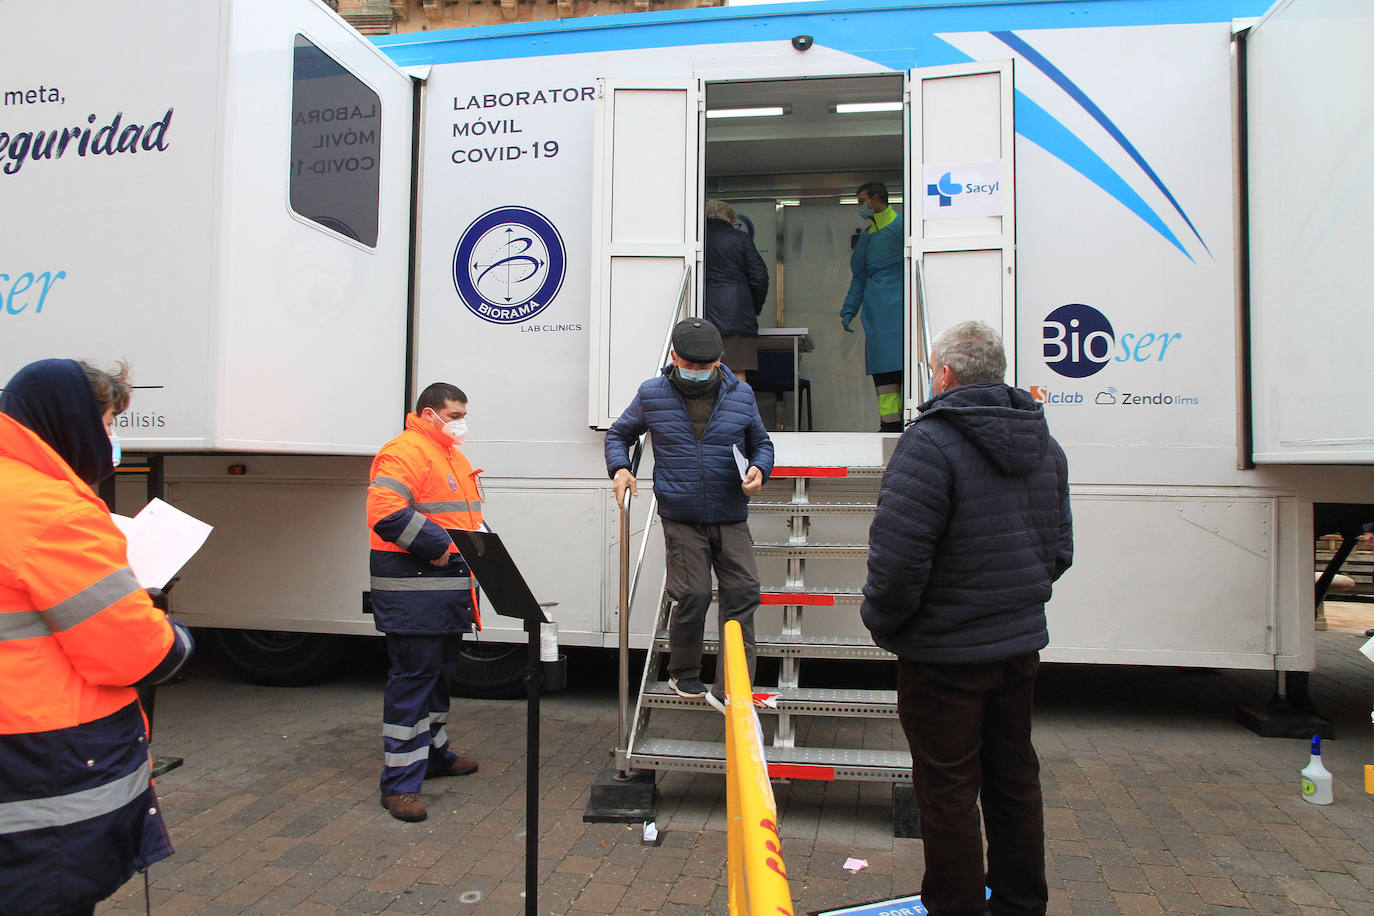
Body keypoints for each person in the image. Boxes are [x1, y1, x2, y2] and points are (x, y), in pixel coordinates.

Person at [860, 321, 1073, 916]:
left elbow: (898, 563)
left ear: (946, 375)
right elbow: (1059, 551)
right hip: (1017, 650)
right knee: (1014, 781)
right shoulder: (1044, 443)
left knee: (948, 792)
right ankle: (1021, 904)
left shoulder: (930, 443)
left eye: (933, 369)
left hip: (944, 658)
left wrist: (887, 626)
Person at [0, 358, 195, 916]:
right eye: (109, 423)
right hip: (41, 761)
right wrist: (175, 636)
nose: (112, 439)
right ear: (71, 421)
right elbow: (135, 652)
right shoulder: (53, 512)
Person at [605, 318, 774, 698]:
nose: (697, 373)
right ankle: (683, 670)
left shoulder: (741, 395)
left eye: (705, 366)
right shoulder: (652, 394)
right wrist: (620, 468)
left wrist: (759, 468)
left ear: (719, 361)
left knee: (744, 590)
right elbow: (620, 433)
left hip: (729, 510)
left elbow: (762, 444)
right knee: (694, 593)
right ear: (674, 357)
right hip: (681, 514)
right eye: (690, 366)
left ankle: (734, 685)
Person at [366, 382, 484, 822]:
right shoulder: (405, 451)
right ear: (430, 414)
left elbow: (463, 517)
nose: (461, 423)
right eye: (454, 416)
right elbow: (385, 511)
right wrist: (438, 545)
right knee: (413, 684)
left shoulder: (450, 454)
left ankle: (434, 756)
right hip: (416, 593)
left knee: (437, 681)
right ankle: (399, 784)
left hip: (445, 594)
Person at [841, 180, 906, 432]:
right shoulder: (867, 238)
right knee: (884, 375)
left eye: (861, 201)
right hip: (878, 316)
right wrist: (849, 309)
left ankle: (911, 424)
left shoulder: (903, 228)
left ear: (876, 199)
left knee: (905, 371)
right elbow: (859, 277)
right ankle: (890, 426)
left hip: (903, 314)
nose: (861, 207)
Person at [703, 199, 770, 382]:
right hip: (737, 315)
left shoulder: (698, 239)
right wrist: (753, 307)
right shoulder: (741, 239)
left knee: (703, 372)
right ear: (730, 219)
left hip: (702, 315)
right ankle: (737, 411)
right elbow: (759, 277)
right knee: (738, 371)